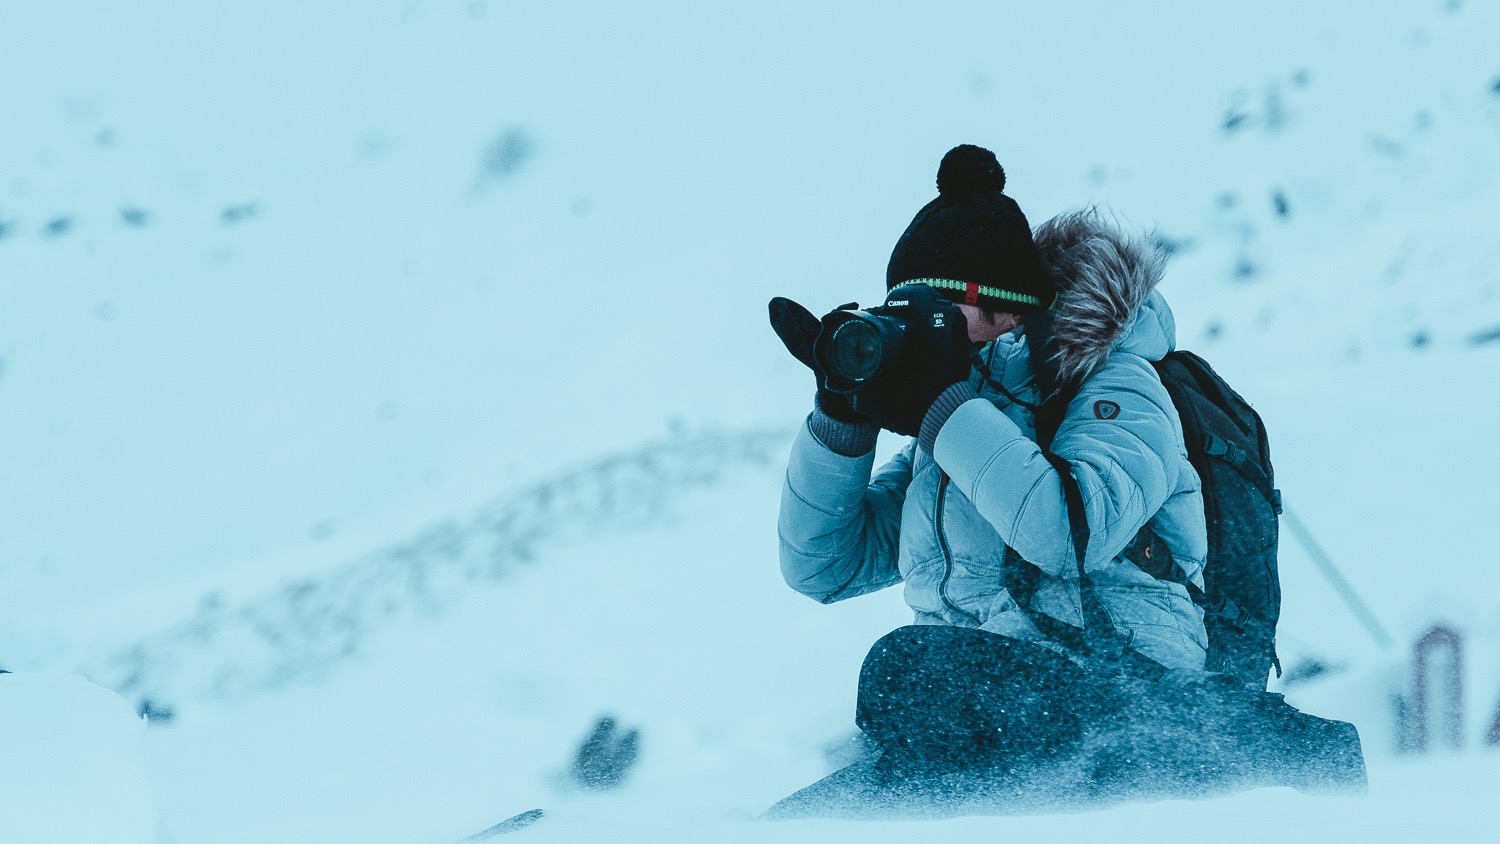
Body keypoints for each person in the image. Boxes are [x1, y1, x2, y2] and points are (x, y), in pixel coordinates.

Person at [770, 144, 1209, 764]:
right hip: (990, 709)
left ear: (1004, 311)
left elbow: (1069, 534)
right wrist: (840, 417)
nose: (919, 334)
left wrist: (943, 408)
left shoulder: (1124, 387)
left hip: (1133, 697)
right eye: (903, 316)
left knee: (904, 668)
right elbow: (822, 568)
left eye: (935, 315)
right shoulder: (964, 423)